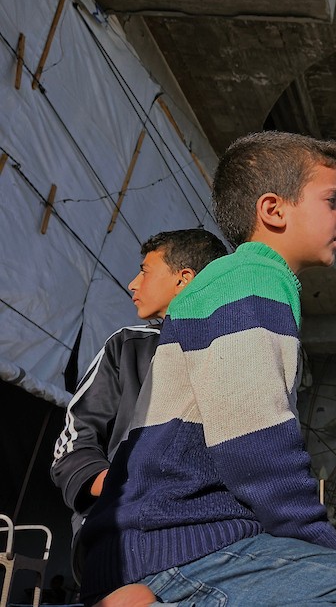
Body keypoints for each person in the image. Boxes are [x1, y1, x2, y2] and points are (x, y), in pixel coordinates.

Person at [76, 131, 336, 607]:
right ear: (273, 210)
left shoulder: (239, 280)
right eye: (332, 201)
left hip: (157, 541)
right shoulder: (253, 278)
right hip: (177, 545)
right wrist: (321, 548)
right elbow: (256, 447)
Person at [51, 229, 228, 580]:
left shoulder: (232, 356)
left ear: (184, 279)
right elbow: (73, 443)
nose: (133, 283)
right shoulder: (128, 347)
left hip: (207, 541)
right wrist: (113, 482)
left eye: (145, 271)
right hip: (116, 534)